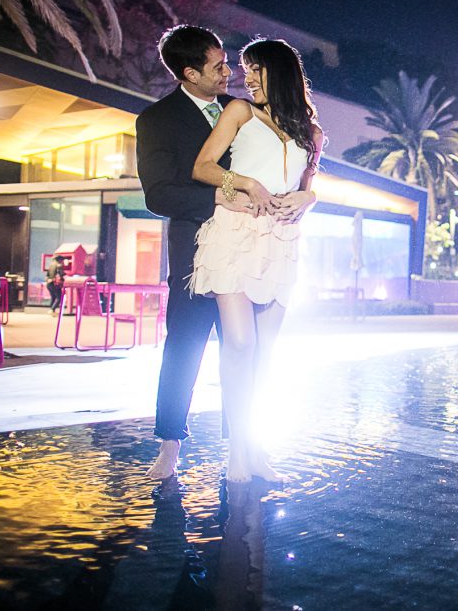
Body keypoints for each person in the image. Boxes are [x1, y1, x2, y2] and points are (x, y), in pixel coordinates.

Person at [191, 38, 322, 482]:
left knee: (265, 354)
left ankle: (256, 447)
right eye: (245, 70)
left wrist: (310, 196)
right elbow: (203, 166)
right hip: (235, 235)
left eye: (257, 70)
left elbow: (309, 186)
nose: (247, 78)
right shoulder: (239, 112)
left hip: (282, 241)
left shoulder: (312, 132)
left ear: (280, 71)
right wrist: (245, 183)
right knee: (241, 344)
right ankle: (236, 453)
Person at [136, 25, 255, 480]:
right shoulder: (157, 120)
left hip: (244, 251)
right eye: (218, 65)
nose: (228, 72)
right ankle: (169, 446)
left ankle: (241, 447)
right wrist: (215, 198)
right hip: (192, 257)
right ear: (189, 73)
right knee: (183, 348)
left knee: (242, 350)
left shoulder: (241, 111)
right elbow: (158, 194)